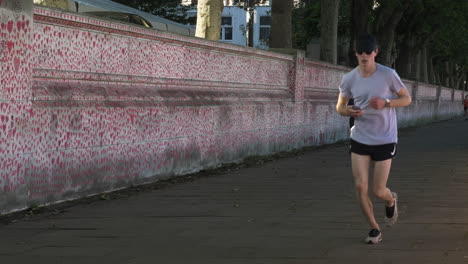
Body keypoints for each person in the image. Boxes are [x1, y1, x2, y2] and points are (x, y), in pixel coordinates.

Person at [335, 34, 412, 244]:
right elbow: (339, 106)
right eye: (360, 52)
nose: (364, 56)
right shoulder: (349, 78)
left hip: (385, 138)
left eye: (368, 52)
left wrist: (386, 103)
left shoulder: (388, 75)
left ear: (375, 52)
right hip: (360, 138)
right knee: (360, 186)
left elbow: (407, 99)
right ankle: (374, 229)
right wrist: (348, 110)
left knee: (378, 190)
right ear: (355, 53)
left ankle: (391, 200)